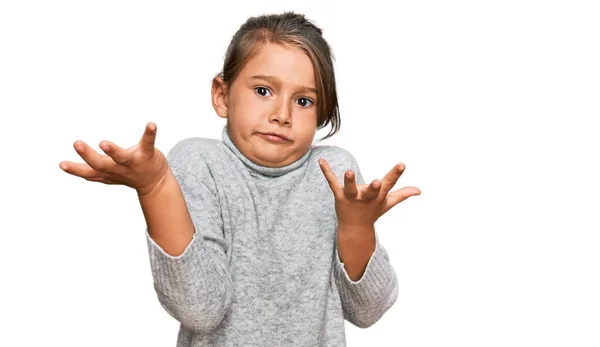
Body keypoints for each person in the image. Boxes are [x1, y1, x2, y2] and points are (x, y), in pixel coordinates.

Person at [59, 11, 421, 347]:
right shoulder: (200, 162)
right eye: (263, 91)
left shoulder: (334, 172)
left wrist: (356, 229)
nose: (282, 115)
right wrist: (156, 188)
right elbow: (201, 309)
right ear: (222, 96)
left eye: (304, 101)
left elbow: (368, 311)